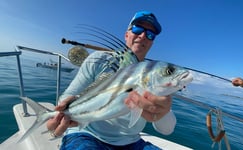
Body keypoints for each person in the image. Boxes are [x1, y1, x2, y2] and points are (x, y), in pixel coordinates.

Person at [46, 11, 176, 150]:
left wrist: (163, 111)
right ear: (126, 35)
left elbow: (166, 130)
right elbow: (69, 94)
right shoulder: (100, 59)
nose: (143, 35)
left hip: (132, 142)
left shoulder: (156, 74)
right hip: (86, 134)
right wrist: (63, 110)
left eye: (150, 34)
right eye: (137, 29)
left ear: (151, 43)